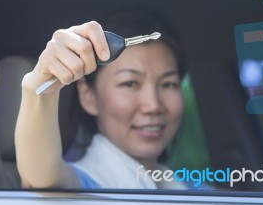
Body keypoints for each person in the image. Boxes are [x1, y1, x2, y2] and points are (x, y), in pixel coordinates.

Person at [14, 10, 198, 189]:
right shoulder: (85, 187)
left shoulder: (191, 189)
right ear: (89, 96)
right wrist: (38, 91)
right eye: (130, 83)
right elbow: (43, 177)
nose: (153, 105)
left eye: (168, 84)